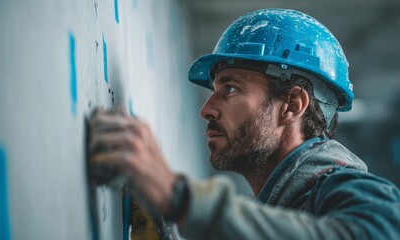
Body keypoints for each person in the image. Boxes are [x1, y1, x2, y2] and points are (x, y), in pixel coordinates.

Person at [88, 8, 400, 239]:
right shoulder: (288, 208)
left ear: (292, 104)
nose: (207, 109)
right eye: (214, 91)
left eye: (231, 88)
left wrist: (180, 197)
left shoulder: (349, 190)